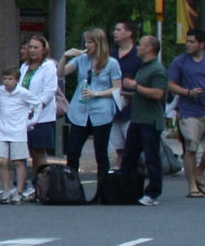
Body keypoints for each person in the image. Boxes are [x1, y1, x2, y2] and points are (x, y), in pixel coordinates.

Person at [64, 28, 120, 192]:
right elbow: (60, 73)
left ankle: (103, 191)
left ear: (98, 43)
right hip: (80, 111)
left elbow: (116, 88)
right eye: (85, 42)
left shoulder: (111, 63)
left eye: (90, 42)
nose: (86, 45)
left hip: (101, 111)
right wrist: (65, 57)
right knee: (73, 152)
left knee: (100, 153)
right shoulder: (81, 60)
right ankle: (72, 190)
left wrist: (97, 93)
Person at [169, 30, 205, 198]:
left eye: (192, 42)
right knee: (190, 148)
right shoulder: (180, 62)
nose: (188, 45)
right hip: (188, 111)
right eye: (187, 41)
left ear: (201, 44)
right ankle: (192, 186)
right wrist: (188, 92)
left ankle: (199, 171)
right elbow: (171, 85)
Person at [122, 33, 168, 206]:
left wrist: (135, 86)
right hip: (137, 118)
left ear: (150, 48)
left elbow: (158, 93)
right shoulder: (143, 67)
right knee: (129, 156)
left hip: (150, 120)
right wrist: (127, 94)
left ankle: (153, 192)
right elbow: (142, 91)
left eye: (140, 44)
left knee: (151, 157)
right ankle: (127, 189)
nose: (137, 47)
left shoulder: (157, 69)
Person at [15, 35, 60, 195]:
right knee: (26, 151)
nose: (32, 51)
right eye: (30, 47)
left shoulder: (48, 67)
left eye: (36, 48)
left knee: (38, 152)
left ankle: (44, 185)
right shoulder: (24, 67)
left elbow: (48, 92)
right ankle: (31, 185)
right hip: (24, 115)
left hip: (42, 116)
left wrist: (34, 107)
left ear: (43, 50)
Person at [0, 66, 31, 204]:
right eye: (5, 79)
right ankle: (6, 190)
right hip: (2, 130)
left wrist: (31, 121)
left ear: (16, 80)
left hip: (18, 131)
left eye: (10, 79)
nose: (7, 82)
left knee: (18, 161)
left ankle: (19, 192)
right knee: (1, 160)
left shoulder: (23, 93)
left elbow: (37, 103)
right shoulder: (0, 91)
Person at [108, 19, 141, 164]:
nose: (115, 33)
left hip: (132, 107)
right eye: (115, 30)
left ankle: (133, 173)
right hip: (113, 106)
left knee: (132, 146)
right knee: (118, 147)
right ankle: (121, 175)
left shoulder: (138, 55)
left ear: (129, 33)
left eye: (119, 30)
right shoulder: (111, 55)